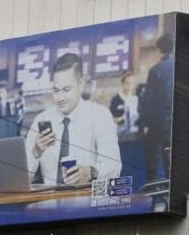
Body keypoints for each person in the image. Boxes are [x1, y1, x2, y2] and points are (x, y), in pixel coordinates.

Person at [26, 53, 122, 186]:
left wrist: (90, 173)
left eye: (66, 90)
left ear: (81, 84)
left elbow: (114, 166)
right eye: (56, 90)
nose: (60, 98)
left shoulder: (100, 116)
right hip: (48, 202)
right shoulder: (41, 120)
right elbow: (23, 179)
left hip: (86, 201)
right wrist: (35, 153)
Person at [136, 34, 174, 184]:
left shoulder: (156, 70)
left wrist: (143, 121)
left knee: (152, 156)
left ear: (159, 50)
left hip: (157, 120)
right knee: (169, 156)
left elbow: (149, 98)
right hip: (171, 120)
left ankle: (153, 189)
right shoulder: (177, 66)